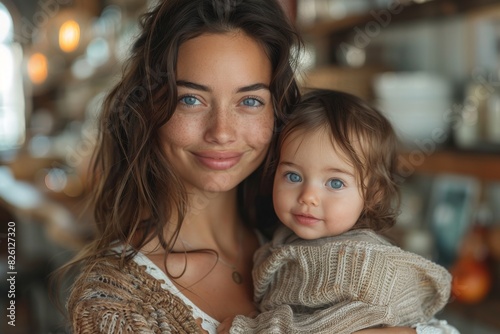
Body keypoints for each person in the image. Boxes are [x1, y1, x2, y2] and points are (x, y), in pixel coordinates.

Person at [60, 0, 453, 333]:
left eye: (249, 101)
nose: (222, 132)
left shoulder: (304, 234)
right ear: (147, 107)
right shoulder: (113, 300)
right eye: (191, 100)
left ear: (277, 113)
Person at [220, 89, 458, 334]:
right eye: (293, 176)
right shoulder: (279, 243)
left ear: (372, 194)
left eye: (335, 183)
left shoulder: (364, 264)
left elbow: (333, 328)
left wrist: (252, 330)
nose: (308, 197)